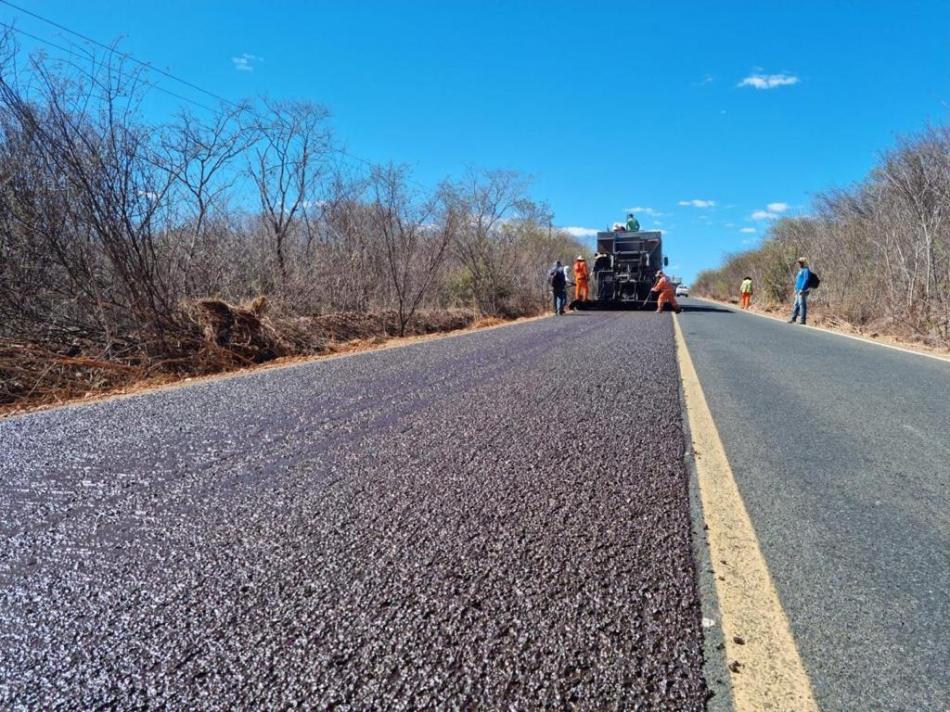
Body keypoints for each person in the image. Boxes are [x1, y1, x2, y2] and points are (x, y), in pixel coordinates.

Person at [789, 258, 811, 324]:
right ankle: (793, 319)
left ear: (804, 263)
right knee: (796, 304)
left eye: (801, 262)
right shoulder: (800, 270)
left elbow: (806, 279)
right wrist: (795, 288)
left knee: (802, 304)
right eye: (799, 262)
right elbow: (798, 280)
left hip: (803, 290)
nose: (799, 263)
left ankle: (802, 320)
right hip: (798, 290)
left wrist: (802, 289)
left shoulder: (806, 270)